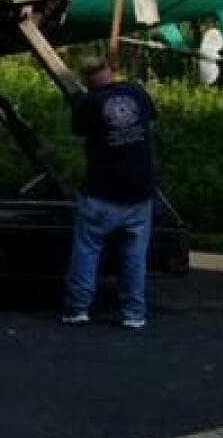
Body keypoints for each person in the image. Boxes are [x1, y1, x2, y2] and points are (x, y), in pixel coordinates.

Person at [61, 55, 157, 329]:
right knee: (135, 256)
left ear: (86, 78)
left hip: (100, 193)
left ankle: (78, 309)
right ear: (110, 70)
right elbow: (150, 120)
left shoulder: (87, 103)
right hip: (139, 192)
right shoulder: (137, 92)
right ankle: (134, 314)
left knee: (87, 251)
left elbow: (80, 132)